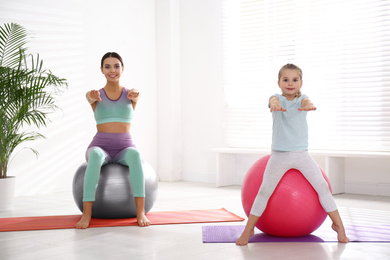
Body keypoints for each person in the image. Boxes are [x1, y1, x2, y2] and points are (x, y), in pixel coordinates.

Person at [235, 63, 349, 245]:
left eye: (294, 80)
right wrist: (275, 105)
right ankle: (249, 229)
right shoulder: (275, 99)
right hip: (279, 155)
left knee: (322, 186)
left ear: (301, 82)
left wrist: (309, 105)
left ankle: (339, 227)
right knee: (264, 191)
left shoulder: (302, 99)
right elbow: (273, 102)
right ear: (279, 83)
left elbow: (306, 102)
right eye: (285, 80)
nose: (290, 83)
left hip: (301, 155)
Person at [76, 52, 150, 229]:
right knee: (94, 155)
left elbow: (136, 94)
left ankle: (140, 211)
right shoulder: (95, 95)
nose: (112, 70)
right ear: (101, 70)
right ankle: (87, 214)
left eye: (116, 66)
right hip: (101, 145)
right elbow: (89, 96)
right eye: (107, 66)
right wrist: (91, 96)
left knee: (136, 155)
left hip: (125, 146)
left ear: (122, 69)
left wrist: (135, 94)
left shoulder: (131, 94)